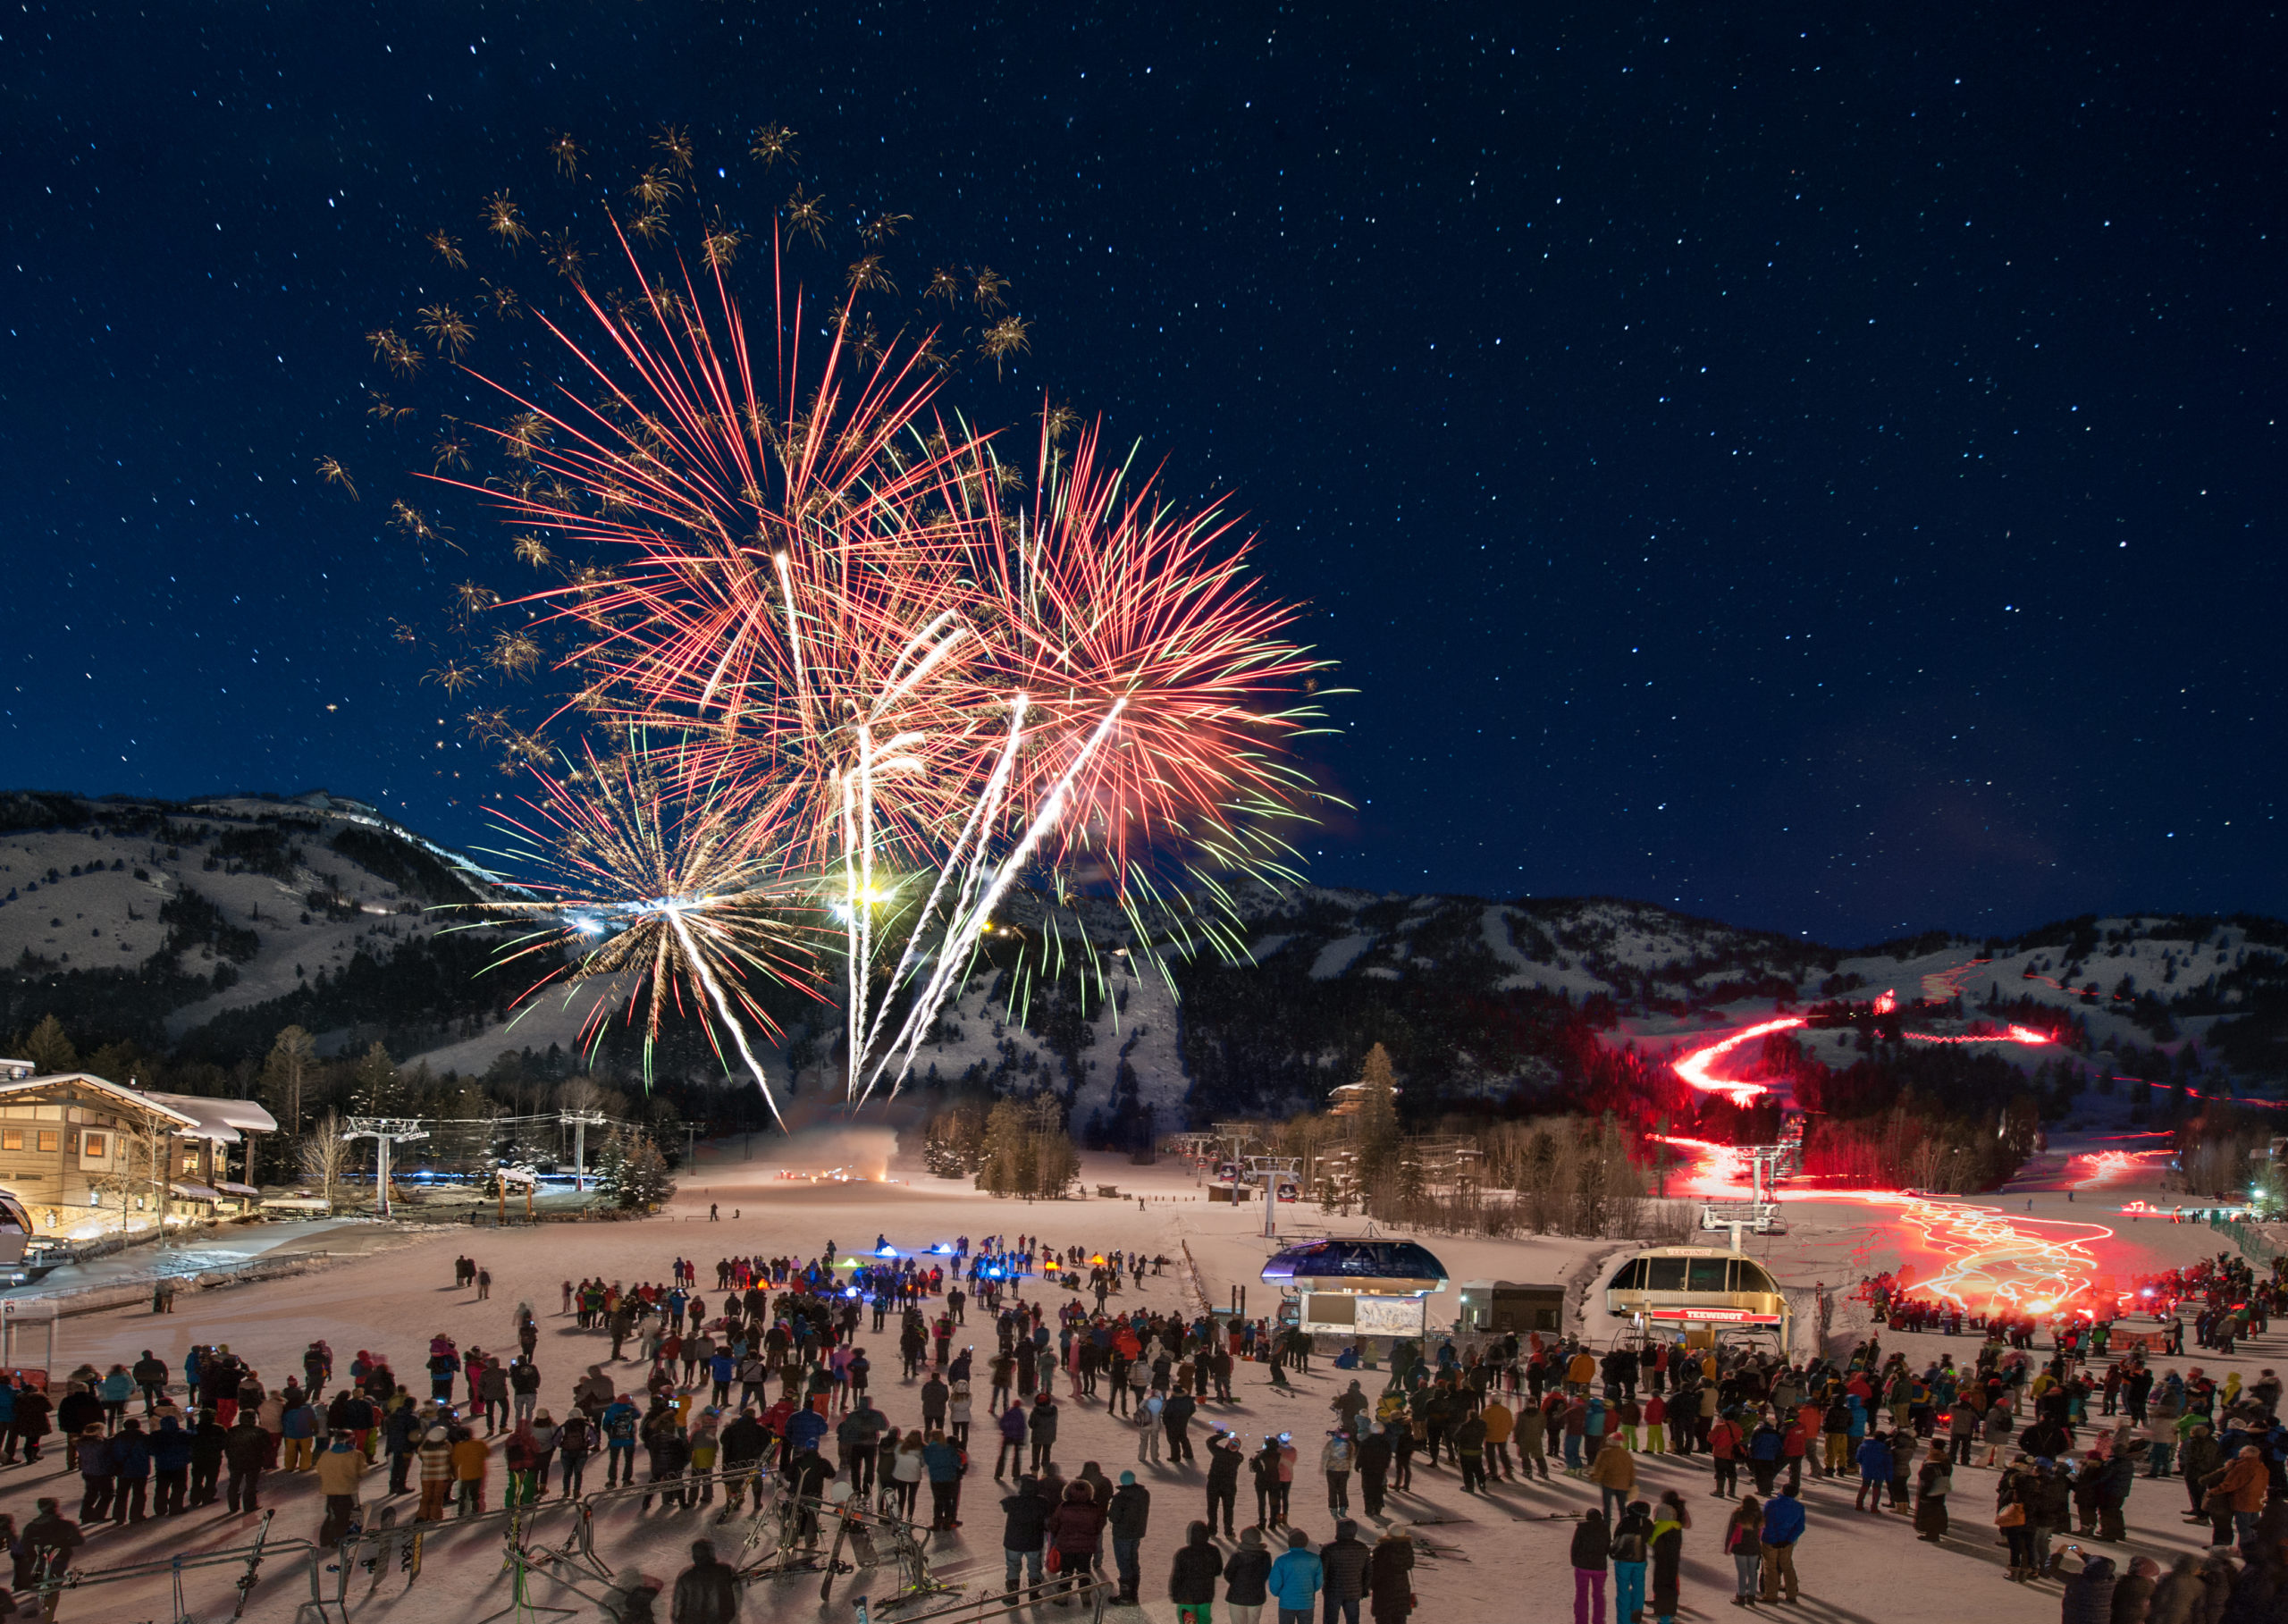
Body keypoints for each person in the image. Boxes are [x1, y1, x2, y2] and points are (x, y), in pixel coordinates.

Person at [670, 1538, 741, 1624]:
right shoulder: (724, 1572)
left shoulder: (686, 1578)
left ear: (694, 1556)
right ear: (710, 1554)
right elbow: (734, 1596)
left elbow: (677, 1607)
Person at [1109, 1469, 1151, 1605]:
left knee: (1124, 1563)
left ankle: (1126, 1597)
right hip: (1137, 1533)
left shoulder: (1120, 1498)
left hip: (1122, 1534)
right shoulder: (1144, 1494)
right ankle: (1134, 1594)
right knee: (1133, 1562)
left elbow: (1114, 1517)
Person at [1171, 1520, 1225, 1624]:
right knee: (1204, 1619)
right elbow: (1218, 1571)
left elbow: (1177, 1576)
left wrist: (1175, 1594)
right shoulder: (1213, 1551)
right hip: (1206, 1594)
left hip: (1187, 1598)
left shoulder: (1183, 1553)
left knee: (1188, 1621)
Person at [1757, 1485, 1804, 1605]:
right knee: (1787, 1566)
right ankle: (1791, 1594)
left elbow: (1768, 1523)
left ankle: (1771, 1595)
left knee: (1770, 1567)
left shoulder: (1771, 1504)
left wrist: (1774, 1539)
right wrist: (1789, 1540)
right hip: (1787, 1542)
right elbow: (1800, 1527)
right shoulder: (1799, 1507)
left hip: (1770, 1541)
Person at [1319, 1519, 1371, 1624]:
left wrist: (1322, 1586)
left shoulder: (1329, 1548)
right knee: (1353, 1620)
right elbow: (1368, 1571)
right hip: (1354, 1591)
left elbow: (1322, 1571)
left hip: (1333, 1591)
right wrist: (1365, 1588)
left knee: (1330, 1620)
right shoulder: (1362, 1548)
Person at [1268, 1529, 1325, 1624]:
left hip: (1286, 1602)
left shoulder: (1281, 1560)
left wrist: (1281, 1594)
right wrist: (1311, 1590)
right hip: (1307, 1601)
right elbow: (1319, 1582)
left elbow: (1274, 1583)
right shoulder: (1315, 1559)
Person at [1649, 1491, 1688, 1624]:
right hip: (1674, 1559)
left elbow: (1651, 1540)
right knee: (1672, 1585)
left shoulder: (1659, 1527)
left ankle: (1659, 1611)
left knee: (1660, 1586)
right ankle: (1671, 1612)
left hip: (1661, 1560)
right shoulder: (1677, 1526)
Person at [1611, 1502, 1653, 1624]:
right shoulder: (1647, 1523)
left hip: (1624, 1560)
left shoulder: (1626, 1521)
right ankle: (1636, 1618)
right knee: (1638, 1589)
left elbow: (1617, 1536)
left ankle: (1624, 1621)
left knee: (1623, 1591)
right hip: (1640, 1559)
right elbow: (1648, 1537)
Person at [1569, 1510, 1611, 1624]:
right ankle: (1599, 1621)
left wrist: (1575, 1562)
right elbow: (1607, 1546)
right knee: (1599, 1594)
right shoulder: (1605, 1528)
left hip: (1582, 1566)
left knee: (1581, 1594)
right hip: (1600, 1566)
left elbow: (1575, 1546)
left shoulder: (1582, 1528)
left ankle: (1581, 1621)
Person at [1228, 1526, 1274, 1624]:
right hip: (1256, 1596)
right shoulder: (1265, 1556)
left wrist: (1237, 1584)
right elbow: (1266, 1574)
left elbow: (1228, 1574)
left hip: (1236, 1596)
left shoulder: (1237, 1556)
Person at [1367, 1527, 1413, 1624]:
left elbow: (1376, 1571)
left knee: (1384, 1618)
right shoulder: (1407, 1549)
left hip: (1384, 1590)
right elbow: (1409, 1564)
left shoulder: (1383, 1549)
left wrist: (1369, 1584)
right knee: (1399, 1618)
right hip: (1402, 1589)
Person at [1723, 1496, 1762, 1607]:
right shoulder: (1759, 1515)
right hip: (1754, 1547)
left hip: (1740, 1547)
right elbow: (1761, 1532)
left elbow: (1731, 1531)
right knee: (1753, 1573)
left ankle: (1740, 1597)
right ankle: (1751, 1596)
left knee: (1742, 1573)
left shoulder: (1738, 1514)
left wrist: (1727, 1547)